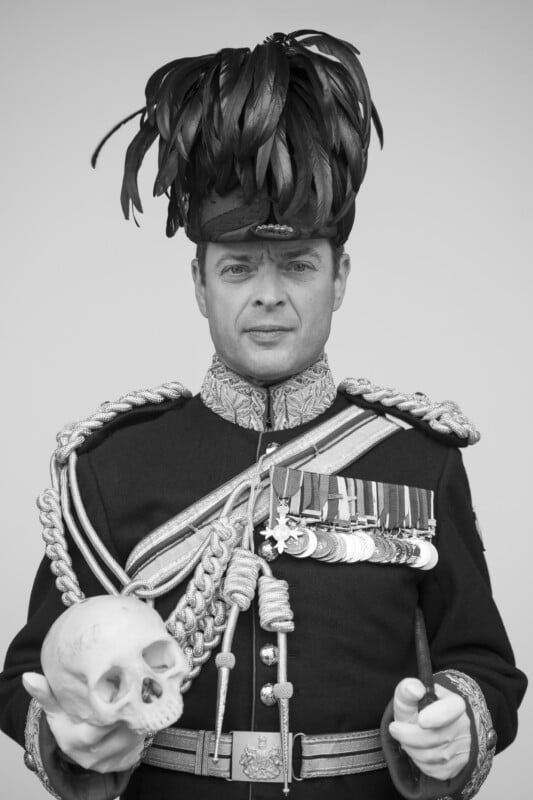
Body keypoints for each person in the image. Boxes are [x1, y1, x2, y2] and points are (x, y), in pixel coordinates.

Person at [0, 29, 526, 800]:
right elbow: (26, 675)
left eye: (299, 266)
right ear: (199, 283)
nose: (269, 295)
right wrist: (72, 736)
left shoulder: (417, 460)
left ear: (339, 276)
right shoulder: (110, 466)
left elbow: (483, 662)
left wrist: (457, 719)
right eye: (238, 268)